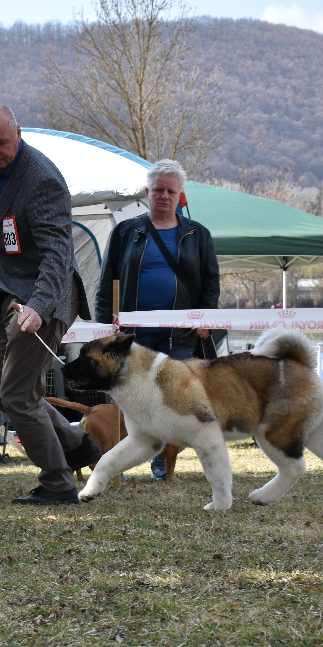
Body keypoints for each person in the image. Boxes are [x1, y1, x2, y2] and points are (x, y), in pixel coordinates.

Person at [0, 104, 99, 505]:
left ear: (18, 133)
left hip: (45, 298)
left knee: (16, 394)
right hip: (8, 296)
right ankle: (77, 445)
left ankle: (58, 483)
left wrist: (40, 306)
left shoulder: (42, 180)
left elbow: (57, 254)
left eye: (2, 143)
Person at [94, 159, 220, 480]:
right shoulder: (125, 231)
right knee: (127, 400)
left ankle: (163, 464)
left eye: (171, 191)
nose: (164, 196)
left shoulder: (198, 234)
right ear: (147, 192)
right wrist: (104, 327)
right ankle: (118, 464)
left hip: (180, 336)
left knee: (175, 403)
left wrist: (206, 317)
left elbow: (210, 284)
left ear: (180, 195)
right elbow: (106, 282)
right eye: (158, 190)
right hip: (131, 336)